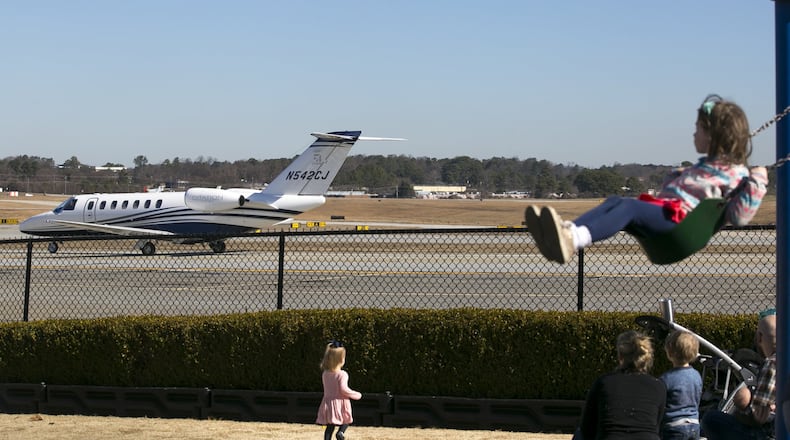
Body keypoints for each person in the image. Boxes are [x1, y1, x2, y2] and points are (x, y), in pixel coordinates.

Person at [526, 94, 768, 264]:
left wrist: (758, 181)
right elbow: (668, 191)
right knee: (615, 201)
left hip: (680, 226)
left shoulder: (738, 175)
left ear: (714, 134)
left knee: (629, 207)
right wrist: (677, 176)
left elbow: (739, 217)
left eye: (699, 128)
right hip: (667, 214)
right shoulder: (705, 166)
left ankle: (575, 239)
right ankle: (568, 233)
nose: (694, 133)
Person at [573, 330, 667, 440]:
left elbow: (587, 427)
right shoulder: (658, 386)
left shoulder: (604, 383)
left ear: (620, 356)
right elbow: (657, 425)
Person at [700, 314, 776, 440]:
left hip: (768, 434)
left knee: (711, 419)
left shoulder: (772, 364)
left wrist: (741, 407)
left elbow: (759, 416)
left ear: (759, 337)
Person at [315, 340, 362, 440]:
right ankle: (340, 432)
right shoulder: (342, 374)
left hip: (328, 403)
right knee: (346, 420)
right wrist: (356, 394)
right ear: (340, 359)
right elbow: (344, 389)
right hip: (340, 402)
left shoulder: (325, 374)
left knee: (330, 425)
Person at [660, 331, 702, 440]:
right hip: (694, 423)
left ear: (670, 352)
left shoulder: (666, 378)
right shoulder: (696, 375)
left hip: (674, 426)